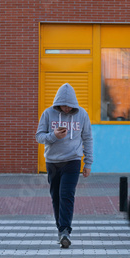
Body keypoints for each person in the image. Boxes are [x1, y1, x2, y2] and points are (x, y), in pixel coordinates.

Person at [35, 83, 93, 248]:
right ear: (58, 102)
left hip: (73, 161)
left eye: (69, 106)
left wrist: (87, 163)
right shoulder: (48, 113)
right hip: (52, 162)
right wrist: (53, 136)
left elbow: (88, 138)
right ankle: (61, 230)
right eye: (63, 105)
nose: (66, 109)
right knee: (56, 196)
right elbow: (39, 136)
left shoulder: (82, 114)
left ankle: (65, 230)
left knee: (67, 194)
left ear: (74, 103)